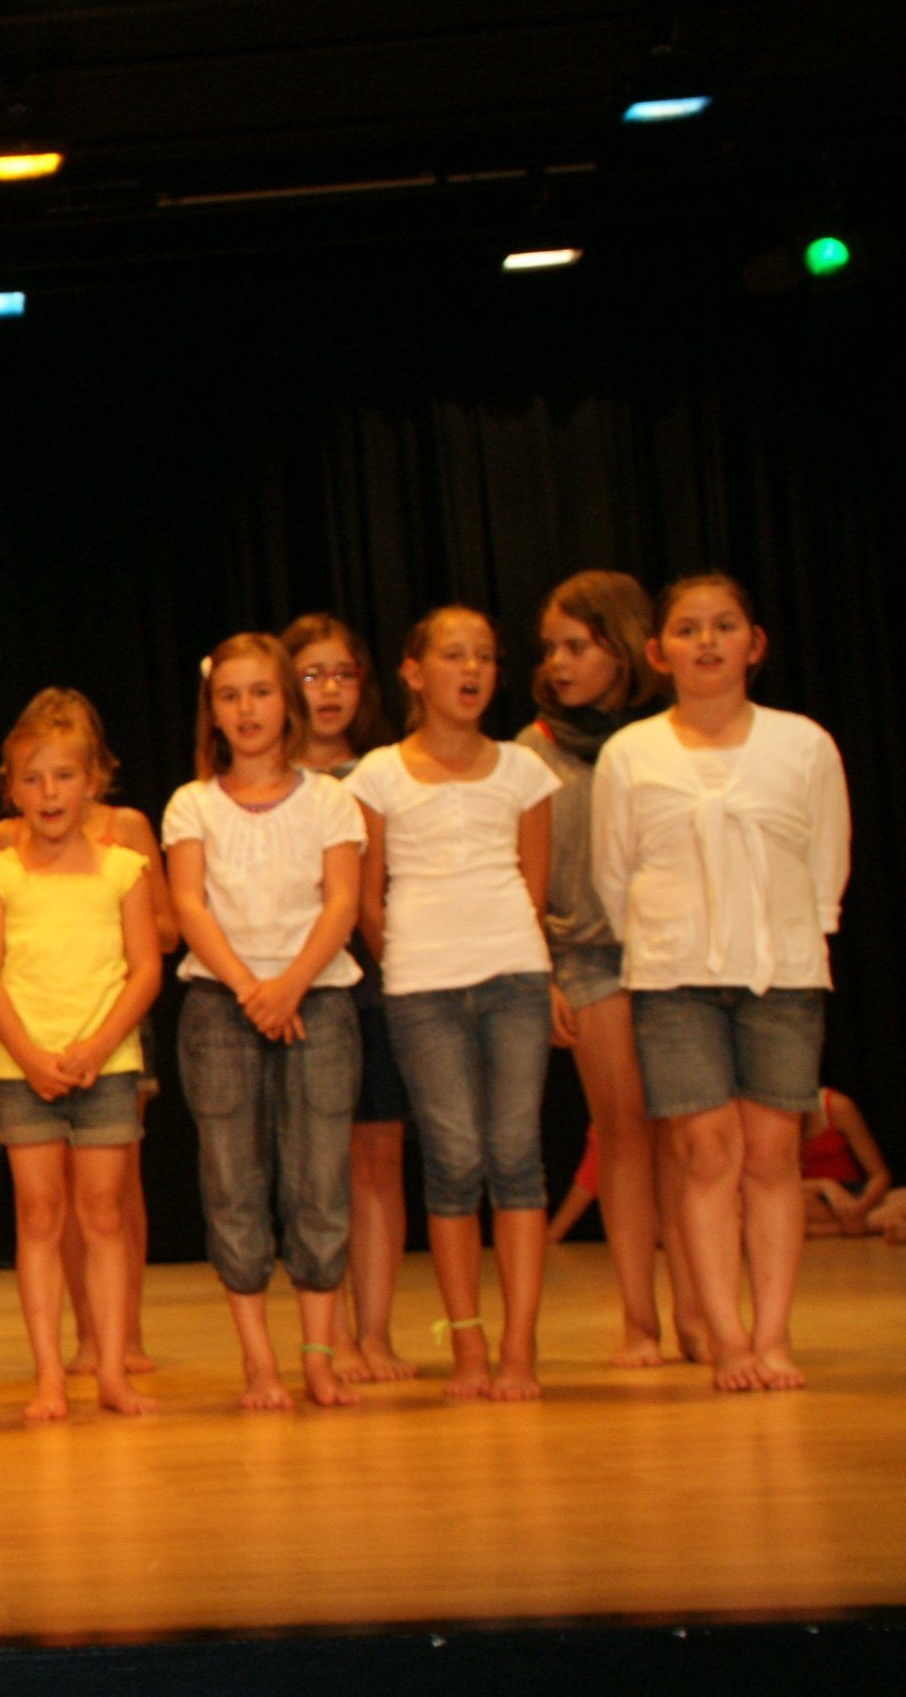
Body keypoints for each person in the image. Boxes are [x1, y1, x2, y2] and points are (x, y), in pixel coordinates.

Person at [593, 573, 849, 1391]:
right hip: (674, 977)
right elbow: (613, 874)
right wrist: (666, 945)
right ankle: (727, 1338)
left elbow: (825, 865)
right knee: (705, 1153)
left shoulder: (802, 744)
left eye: (725, 625)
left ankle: (773, 1335)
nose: (707, 642)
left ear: (754, 643)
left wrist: (796, 939)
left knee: (772, 1154)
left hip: (782, 974)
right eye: (688, 629)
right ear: (657, 651)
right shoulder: (631, 753)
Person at [349, 606, 559, 1401]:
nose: (472, 670)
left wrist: (507, 950)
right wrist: (410, 955)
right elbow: (367, 896)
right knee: (454, 1157)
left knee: (515, 1155)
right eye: (453, 655)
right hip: (421, 985)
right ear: (413, 672)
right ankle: (468, 1346)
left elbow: (534, 884)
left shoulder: (524, 770)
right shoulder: (377, 774)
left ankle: (519, 1347)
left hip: (513, 975)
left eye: (485, 657)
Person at [163, 636, 366, 1412]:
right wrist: (252, 989)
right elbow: (189, 905)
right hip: (223, 1006)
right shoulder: (192, 803)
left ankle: (318, 1355)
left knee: (319, 1180)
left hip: (317, 998)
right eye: (229, 696)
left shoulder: (330, 799)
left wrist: (290, 986)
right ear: (212, 711)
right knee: (232, 1182)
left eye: (260, 692)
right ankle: (258, 1362)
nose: (246, 710)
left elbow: (342, 901)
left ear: (288, 701)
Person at [519, 572, 698, 1366]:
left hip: (675, 951)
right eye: (550, 648)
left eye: (576, 646)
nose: (558, 663)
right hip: (587, 955)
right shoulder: (533, 751)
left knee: (688, 1138)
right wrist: (545, 973)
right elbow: (522, 876)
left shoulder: (670, 736)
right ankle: (639, 1320)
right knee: (622, 1134)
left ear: (622, 650)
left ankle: (698, 1308)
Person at [0, 691, 161, 1421]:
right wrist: (29, 1054)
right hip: (23, 1071)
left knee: (104, 1216)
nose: (49, 793)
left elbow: (145, 969)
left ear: (93, 782)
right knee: (40, 1216)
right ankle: (50, 1373)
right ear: (12, 790)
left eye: (64, 776)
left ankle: (109, 1367)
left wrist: (99, 1045)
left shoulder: (123, 869)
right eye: (33, 779)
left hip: (104, 1067)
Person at [285, 612, 416, 1380]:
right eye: (311, 674)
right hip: (297, 983)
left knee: (377, 1157)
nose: (329, 690)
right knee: (314, 1163)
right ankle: (323, 1334)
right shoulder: (267, 779)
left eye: (343, 674)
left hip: (376, 979)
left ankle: (377, 1332)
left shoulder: (387, 772)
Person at [801, 1090, 888, 1237]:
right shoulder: (768, 1115)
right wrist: (823, 1185)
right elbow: (772, 1184)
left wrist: (860, 1208)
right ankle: (864, 1226)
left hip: (852, 1197)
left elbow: (879, 1175)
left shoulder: (837, 1107)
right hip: (807, 1199)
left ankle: (838, 1228)